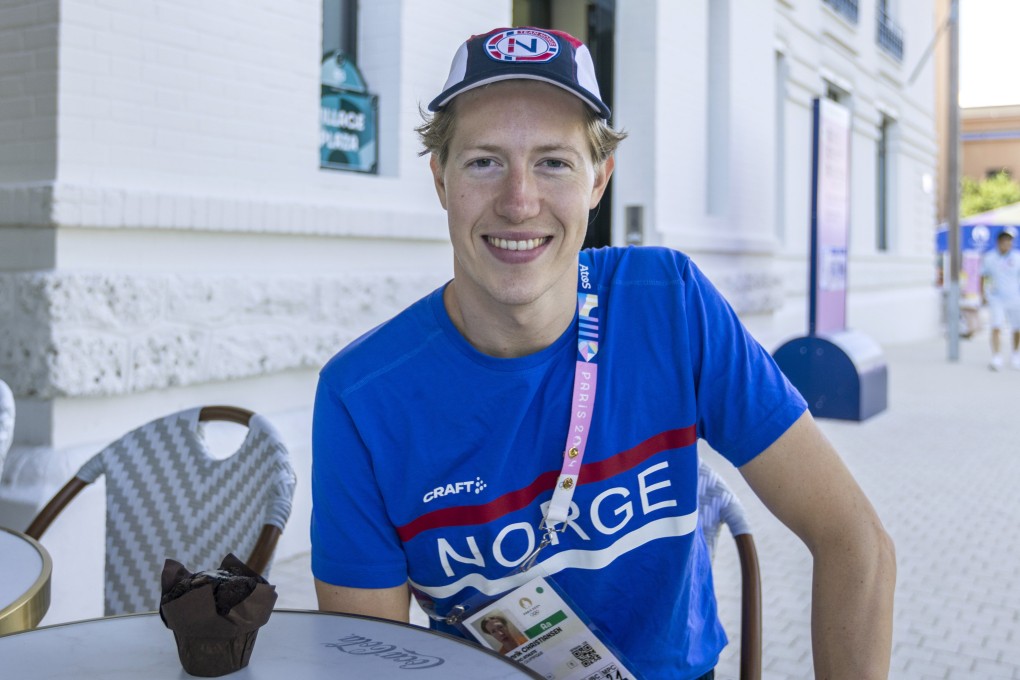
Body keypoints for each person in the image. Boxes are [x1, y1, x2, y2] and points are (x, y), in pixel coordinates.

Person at [311, 26, 895, 679]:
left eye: (554, 162)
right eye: (484, 161)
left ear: (599, 180)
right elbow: (363, 662)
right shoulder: (360, 397)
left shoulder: (669, 303)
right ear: (441, 180)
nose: (519, 201)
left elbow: (856, 542)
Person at [980, 228, 1020, 371]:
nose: (1007, 243)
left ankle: (1016, 354)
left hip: (1015, 298)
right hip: (997, 298)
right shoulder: (990, 258)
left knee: (1017, 328)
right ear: (998, 242)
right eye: (1004, 241)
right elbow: (983, 276)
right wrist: (982, 294)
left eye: (1009, 241)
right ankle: (996, 357)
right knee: (996, 326)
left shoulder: (1017, 257)